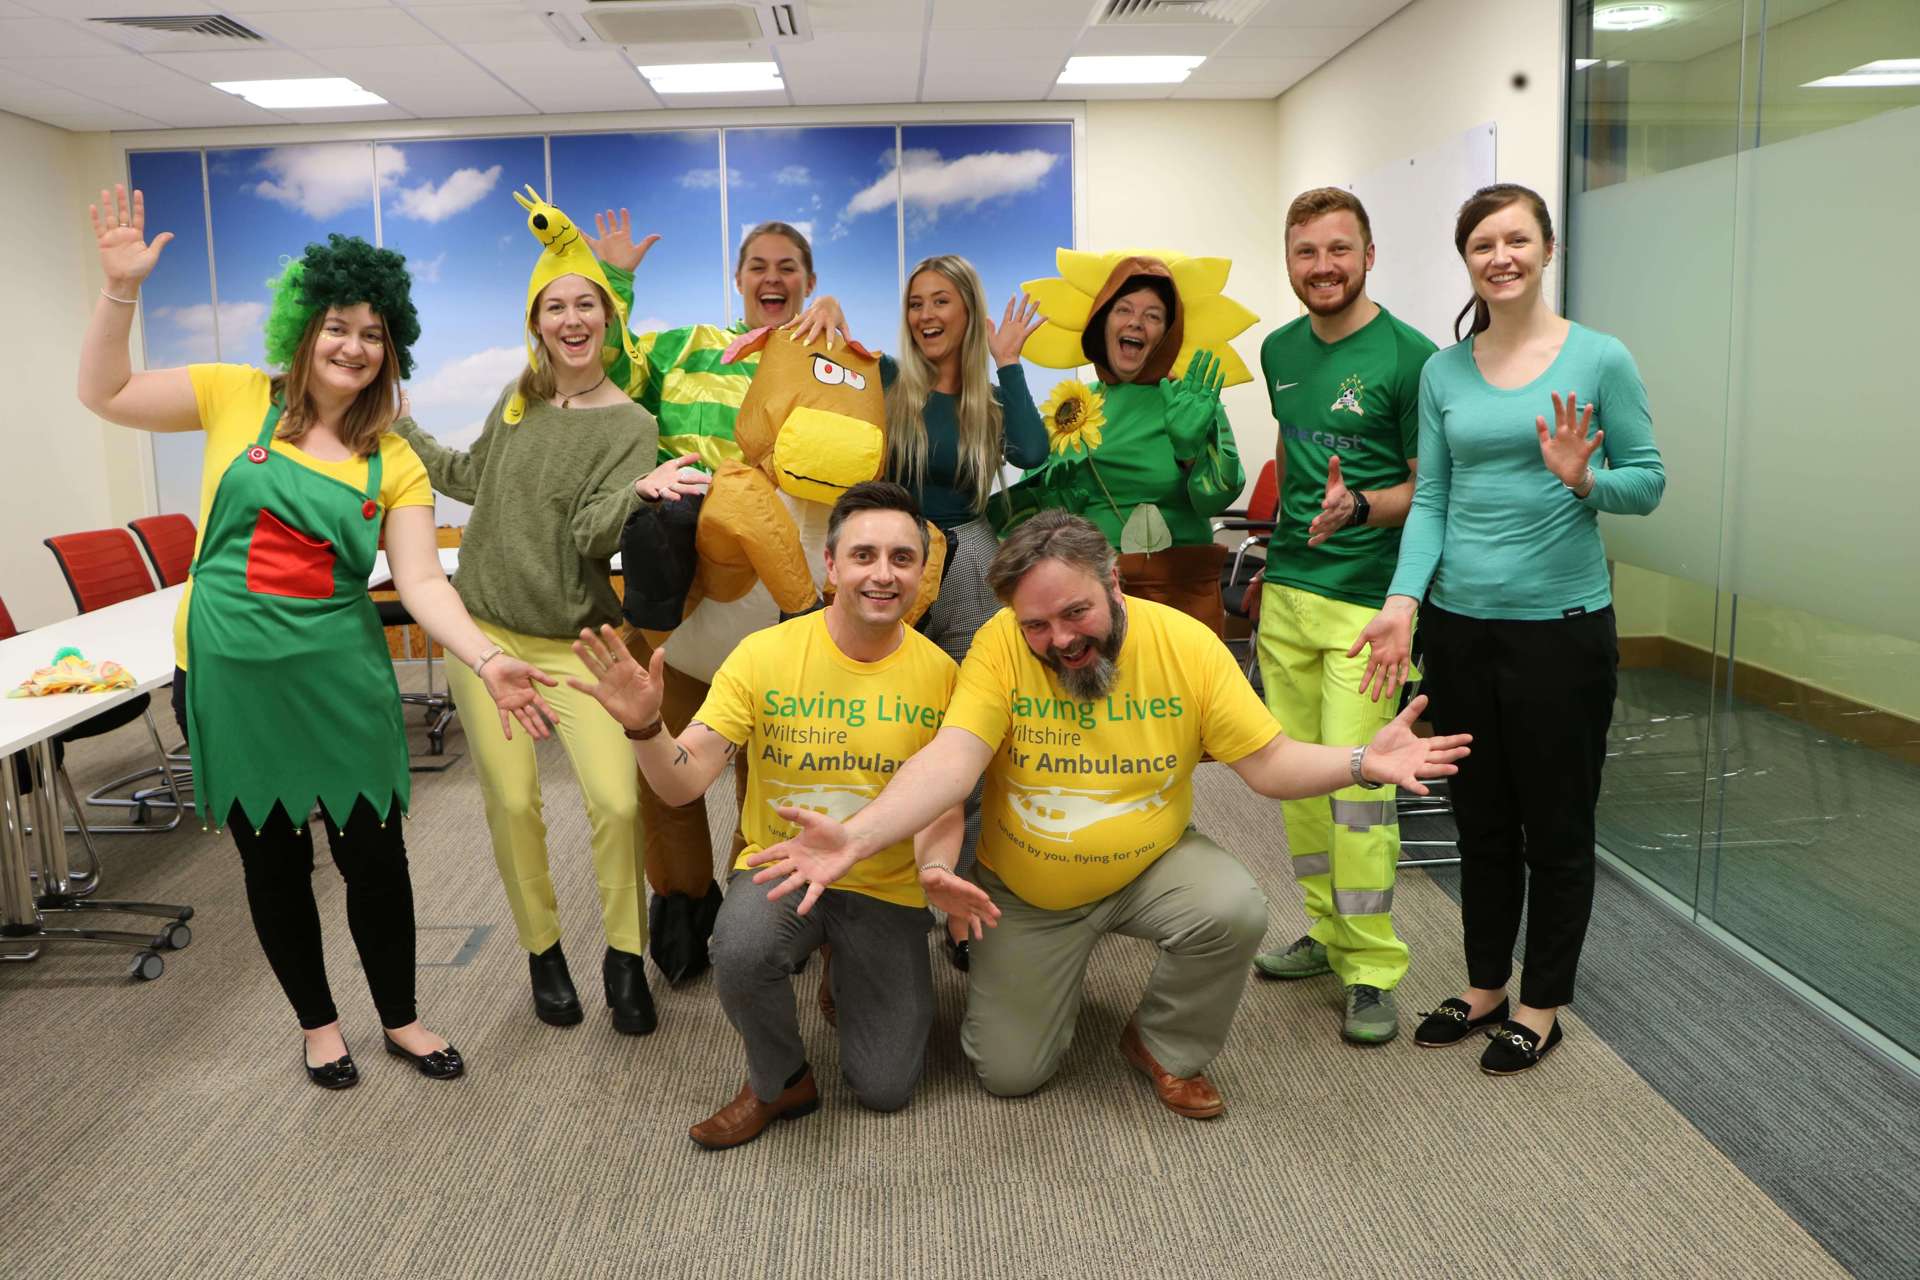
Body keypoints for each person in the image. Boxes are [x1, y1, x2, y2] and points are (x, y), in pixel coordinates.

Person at [744, 511, 1470, 1118]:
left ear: (1114, 581)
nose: (1060, 639)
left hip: (1149, 864)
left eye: (1075, 612)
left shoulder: (1186, 646)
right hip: (1026, 893)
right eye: (1037, 623)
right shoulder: (1000, 647)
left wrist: (1360, 762)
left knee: (1234, 908)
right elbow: (953, 761)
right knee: (1009, 1074)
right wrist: (859, 837)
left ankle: (1162, 1043)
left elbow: (1270, 764)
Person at [76, 186, 555, 1089]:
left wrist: (489, 659)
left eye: (373, 334)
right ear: (304, 330)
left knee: (375, 857)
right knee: (273, 860)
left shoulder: (394, 457)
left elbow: (420, 582)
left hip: (341, 676)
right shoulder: (235, 396)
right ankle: (319, 1027)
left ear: (391, 350)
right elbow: (103, 392)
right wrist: (120, 290)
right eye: (338, 326)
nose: (353, 346)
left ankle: (402, 1019)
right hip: (230, 676)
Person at [568, 482, 993, 1149]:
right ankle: (780, 1079)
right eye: (864, 555)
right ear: (831, 566)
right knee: (740, 949)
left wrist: (937, 868)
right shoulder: (764, 655)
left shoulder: (943, 676)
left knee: (885, 1088)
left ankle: (843, 964)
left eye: (902, 558)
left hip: (883, 885)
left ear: (921, 573)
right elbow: (684, 782)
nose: (883, 574)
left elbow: (942, 806)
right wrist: (647, 728)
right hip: (782, 869)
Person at [1350, 183, 1664, 1075]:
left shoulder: (1600, 359)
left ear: (1547, 248)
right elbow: (1432, 501)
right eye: (1483, 244)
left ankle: (1541, 1004)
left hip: (1561, 635)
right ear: (1468, 261)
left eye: (1517, 239)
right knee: (1481, 823)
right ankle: (1486, 985)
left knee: (1556, 828)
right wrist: (1403, 603)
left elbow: (1648, 481)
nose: (1501, 257)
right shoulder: (1445, 372)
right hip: (1459, 634)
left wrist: (1584, 479)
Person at [392, 193, 701, 1038]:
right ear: (537, 324)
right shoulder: (517, 399)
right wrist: (407, 430)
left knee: (619, 804)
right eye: (555, 307)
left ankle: (624, 958)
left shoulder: (632, 423)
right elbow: (470, 478)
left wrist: (640, 494)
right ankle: (543, 952)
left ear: (607, 318)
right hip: (485, 635)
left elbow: (591, 532)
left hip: (580, 645)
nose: (572, 319)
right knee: (512, 801)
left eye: (586, 304)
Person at [585, 211, 853, 983]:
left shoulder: (825, 362)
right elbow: (611, 371)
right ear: (738, 279)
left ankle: (756, 906)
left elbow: (861, 436)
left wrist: (836, 336)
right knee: (662, 761)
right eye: (758, 265)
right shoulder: (684, 346)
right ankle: (681, 900)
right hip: (680, 601)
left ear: (809, 282)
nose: (773, 278)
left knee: (767, 771)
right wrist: (616, 279)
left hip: (773, 605)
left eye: (788, 266)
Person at [1248, 189, 1438, 1045]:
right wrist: (1286, 543)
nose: (1322, 267)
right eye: (1306, 252)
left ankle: (1371, 967)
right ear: (1290, 260)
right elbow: (1292, 454)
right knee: (1297, 782)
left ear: (1369, 254)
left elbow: (1428, 491)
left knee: (1362, 788)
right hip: (1288, 594)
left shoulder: (1411, 358)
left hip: (1367, 607)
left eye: (1338, 249)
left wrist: (1358, 506)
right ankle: (1326, 932)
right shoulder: (1279, 348)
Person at [884, 254, 1047, 968]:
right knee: (895, 726)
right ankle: (886, 895)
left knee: (969, 734)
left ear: (968, 312)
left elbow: (1033, 451)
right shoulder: (889, 383)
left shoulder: (989, 400)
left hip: (972, 564)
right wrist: (823, 314)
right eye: (915, 302)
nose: (926, 314)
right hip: (897, 562)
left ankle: (959, 903)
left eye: (940, 301)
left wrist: (1008, 363)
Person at [999, 252, 1254, 635]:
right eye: (1123, 309)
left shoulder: (1192, 400)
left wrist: (1190, 453)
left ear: (1167, 333)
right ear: (1102, 322)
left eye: (1153, 316)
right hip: (1085, 596)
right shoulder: (1074, 405)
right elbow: (1034, 499)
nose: (1136, 321)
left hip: (1177, 595)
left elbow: (1216, 498)